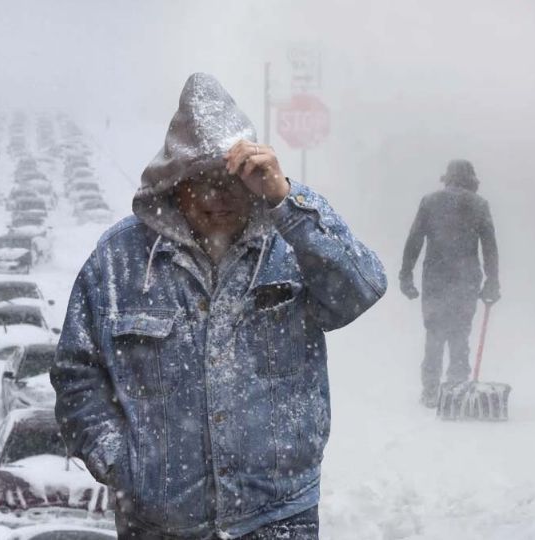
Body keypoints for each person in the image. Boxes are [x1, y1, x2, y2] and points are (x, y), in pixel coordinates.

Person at [51, 73, 387, 539]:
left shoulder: (290, 244)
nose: (218, 198)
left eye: (233, 182)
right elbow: (77, 374)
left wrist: (287, 199)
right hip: (159, 525)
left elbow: (361, 290)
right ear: (172, 185)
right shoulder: (118, 261)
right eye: (200, 183)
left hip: (278, 516)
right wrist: (123, 461)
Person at [398, 159, 500, 408]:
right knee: (459, 333)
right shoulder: (479, 205)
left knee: (434, 333)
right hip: (466, 280)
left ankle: (431, 390)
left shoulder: (430, 202)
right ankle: (456, 387)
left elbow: (414, 240)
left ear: (447, 179)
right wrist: (492, 280)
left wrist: (406, 274)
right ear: (472, 181)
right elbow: (489, 247)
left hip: (435, 278)